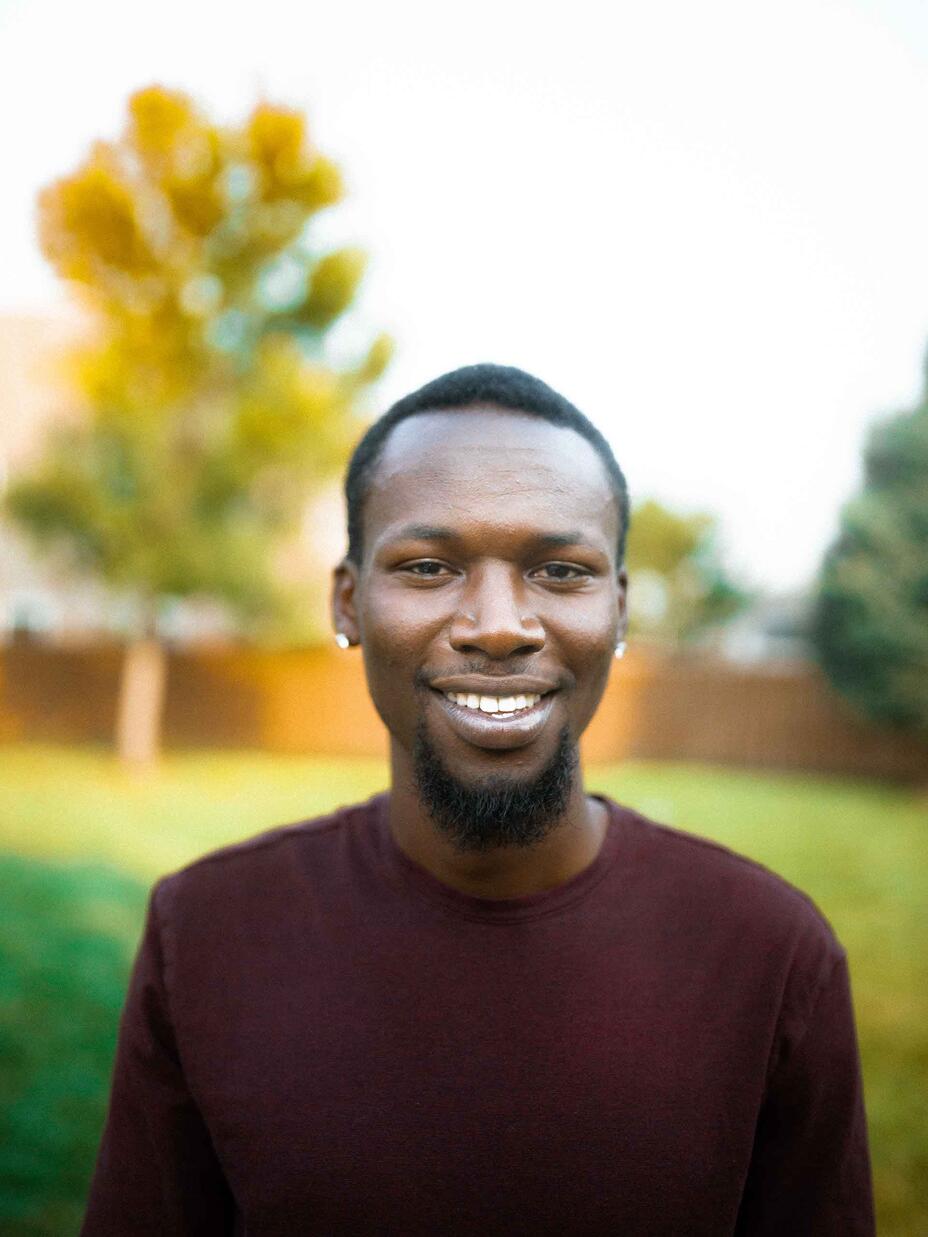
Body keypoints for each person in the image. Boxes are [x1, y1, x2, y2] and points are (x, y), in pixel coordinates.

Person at [81, 364, 875, 1236]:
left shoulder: (771, 955)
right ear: (348, 602)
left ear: (618, 609)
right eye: (428, 565)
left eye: (559, 571)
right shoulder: (205, 933)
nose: (499, 624)